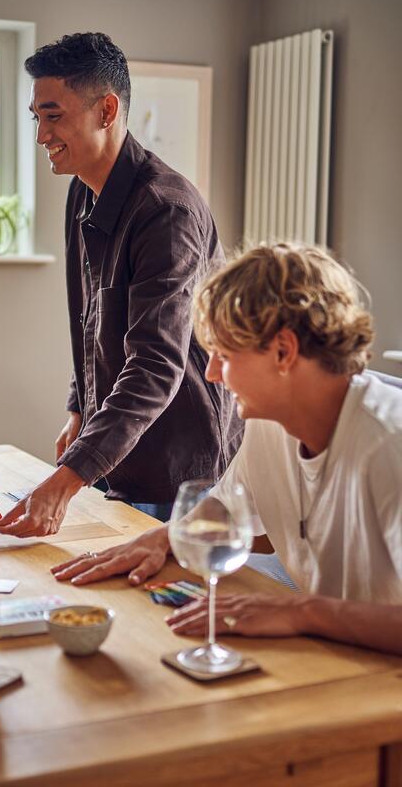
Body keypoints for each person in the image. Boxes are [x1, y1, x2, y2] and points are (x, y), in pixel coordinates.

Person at [52, 243, 402, 655]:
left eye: (223, 354)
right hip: (336, 657)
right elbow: (228, 513)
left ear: (284, 352)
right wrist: (164, 538)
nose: (212, 373)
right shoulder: (269, 425)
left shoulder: (388, 445)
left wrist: (302, 611)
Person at [0, 32, 241, 538]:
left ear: (106, 110)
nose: (41, 135)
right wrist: (78, 409)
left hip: (177, 468)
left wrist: (65, 481)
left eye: (54, 115)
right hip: (119, 453)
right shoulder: (83, 195)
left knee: (158, 613)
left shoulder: (165, 210)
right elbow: (91, 320)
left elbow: (156, 363)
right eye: (36, 118)